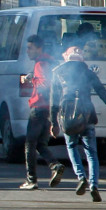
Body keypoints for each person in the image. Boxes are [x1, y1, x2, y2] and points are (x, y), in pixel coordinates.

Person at [51, 46, 106, 202]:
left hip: (67, 117)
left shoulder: (57, 72)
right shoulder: (88, 72)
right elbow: (102, 92)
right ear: (82, 58)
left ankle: (81, 177)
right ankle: (94, 185)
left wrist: (53, 122)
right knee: (92, 154)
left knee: (72, 147)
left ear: (66, 56)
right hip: (87, 117)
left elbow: (54, 101)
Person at [19, 35, 67, 190]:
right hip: (49, 109)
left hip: (39, 107)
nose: (27, 51)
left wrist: (31, 80)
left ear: (39, 48)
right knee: (40, 143)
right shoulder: (52, 62)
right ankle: (55, 165)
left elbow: (45, 84)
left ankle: (31, 179)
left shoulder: (40, 63)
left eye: (30, 48)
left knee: (30, 144)